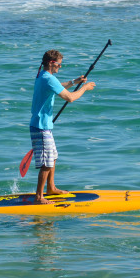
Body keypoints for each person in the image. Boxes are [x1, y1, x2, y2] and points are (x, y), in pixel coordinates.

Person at [30, 49, 95, 203]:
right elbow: (70, 97)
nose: (60, 67)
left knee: (52, 158)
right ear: (52, 63)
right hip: (40, 126)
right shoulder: (48, 78)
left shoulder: (43, 75)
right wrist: (84, 88)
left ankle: (51, 188)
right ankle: (39, 197)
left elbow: (58, 86)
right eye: (59, 65)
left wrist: (75, 82)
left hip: (43, 125)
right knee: (46, 162)